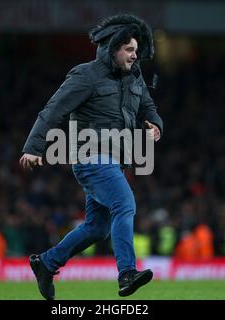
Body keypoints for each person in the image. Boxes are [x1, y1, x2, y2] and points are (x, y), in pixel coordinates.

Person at [19, 14, 163, 300]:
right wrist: (33, 147)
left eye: (137, 50)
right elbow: (53, 110)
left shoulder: (134, 76)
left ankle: (47, 263)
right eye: (130, 50)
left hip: (114, 161)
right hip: (90, 156)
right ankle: (127, 274)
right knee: (125, 203)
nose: (135, 56)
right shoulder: (86, 75)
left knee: (97, 228)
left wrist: (155, 123)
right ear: (113, 48)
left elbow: (147, 105)